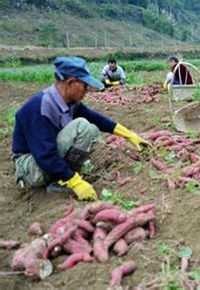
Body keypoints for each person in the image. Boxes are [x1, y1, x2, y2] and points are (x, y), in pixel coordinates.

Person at [12, 57, 150, 200]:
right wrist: (75, 182)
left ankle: (62, 177)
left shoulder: (69, 102)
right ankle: (64, 179)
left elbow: (96, 118)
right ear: (71, 83)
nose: (87, 91)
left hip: (45, 160)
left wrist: (128, 135)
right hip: (30, 168)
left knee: (92, 129)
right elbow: (45, 155)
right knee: (82, 127)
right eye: (85, 86)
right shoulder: (41, 107)